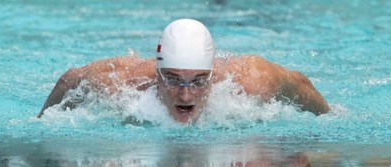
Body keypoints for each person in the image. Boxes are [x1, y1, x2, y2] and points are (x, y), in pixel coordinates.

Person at [38, 18, 330, 123]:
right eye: (174, 79)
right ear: (157, 71)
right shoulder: (121, 82)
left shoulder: (252, 81)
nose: (186, 95)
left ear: (213, 73)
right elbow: (70, 79)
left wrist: (333, 120)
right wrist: (42, 121)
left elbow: (300, 84)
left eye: (199, 81)